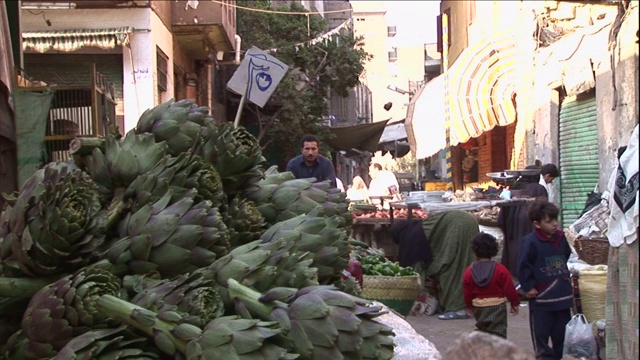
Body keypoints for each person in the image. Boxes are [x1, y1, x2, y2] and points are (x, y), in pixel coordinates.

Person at [389, 210, 479, 320]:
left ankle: (457, 308)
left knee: (451, 268)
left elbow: (416, 271)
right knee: (464, 263)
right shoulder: (416, 228)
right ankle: (469, 305)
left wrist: (419, 292)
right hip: (467, 219)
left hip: (456, 225)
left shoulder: (411, 238)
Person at [517, 199, 573, 360]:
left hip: (562, 298)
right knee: (542, 340)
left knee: (561, 338)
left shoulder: (561, 238)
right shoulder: (531, 242)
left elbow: (565, 255)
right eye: (549, 221)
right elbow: (523, 266)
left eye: (556, 219)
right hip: (541, 300)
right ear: (537, 224)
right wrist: (529, 287)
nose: (555, 224)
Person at [463, 232, 520, 339]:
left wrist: (469, 307)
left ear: (475, 252)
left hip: (478, 306)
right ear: (494, 250)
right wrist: (514, 303)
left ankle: (482, 350)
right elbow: (510, 289)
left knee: (482, 329)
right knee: (499, 332)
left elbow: (467, 291)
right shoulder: (500, 269)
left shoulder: (469, 271)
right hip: (497, 306)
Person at [498, 165, 548, 275]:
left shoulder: (512, 189)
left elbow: (501, 218)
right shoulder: (539, 189)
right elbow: (544, 212)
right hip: (530, 230)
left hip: (512, 232)